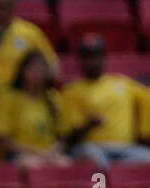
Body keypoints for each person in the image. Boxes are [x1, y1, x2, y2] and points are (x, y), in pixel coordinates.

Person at [61, 34, 150, 170]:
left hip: (125, 148)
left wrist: (145, 133)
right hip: (91, 147)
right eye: (87, 57)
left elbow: (146, 96)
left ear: (104, 57)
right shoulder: (72, 91)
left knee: (146, 157)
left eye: (96, 56)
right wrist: (88, 125)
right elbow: (68, 138)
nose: (92, 61)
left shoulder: (122, 83)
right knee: (95, 158)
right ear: (80, 60)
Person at [0, 49, 68, 166]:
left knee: (65, 164)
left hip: (48, 154)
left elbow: (63, 136)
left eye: (42, 69)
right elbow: (2, 141)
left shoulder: (53, 97)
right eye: (34, 68)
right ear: (23, 71)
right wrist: (37, 152)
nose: (38, 73)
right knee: (33, 164)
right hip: (17, 155)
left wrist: (55, 150)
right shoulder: (8, 97)